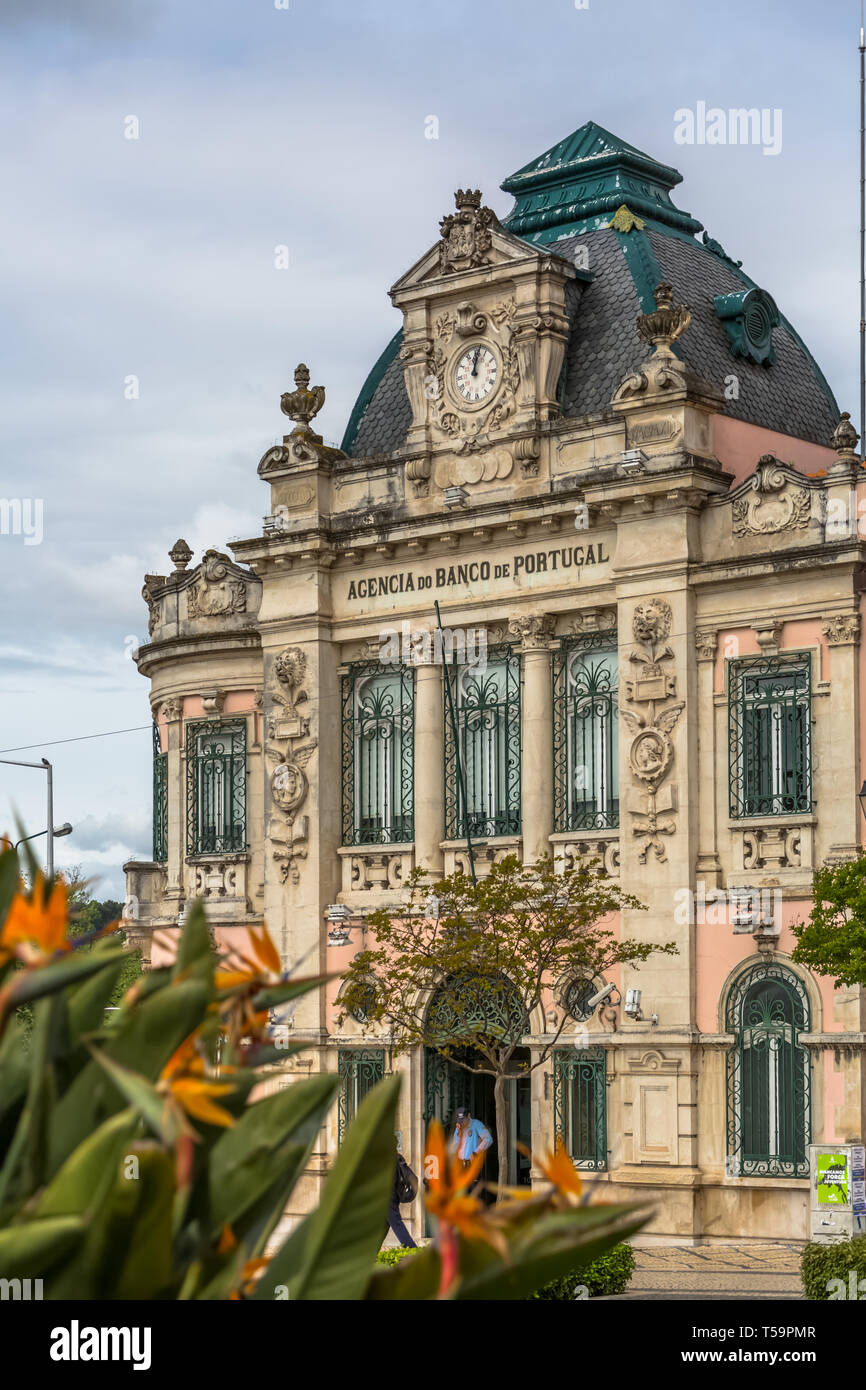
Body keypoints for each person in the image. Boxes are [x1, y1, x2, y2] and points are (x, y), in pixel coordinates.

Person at [382, 1150, 418, 1249]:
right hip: (393, 1196)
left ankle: (413, 1250)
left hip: (386, 1196)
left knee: (397, 1224)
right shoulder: (396, 1157)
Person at [452, 1105, 492, 1178]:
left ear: (469, 1115)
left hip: (472, 1164)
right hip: (460, 1165)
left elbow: (488, 1139)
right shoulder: (458, 1127)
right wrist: (459, 1133)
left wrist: (476, 1152)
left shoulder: (476, 1124)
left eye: (463, 1119)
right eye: (460, 1120)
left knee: (473, 1187)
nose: (462, 1122)